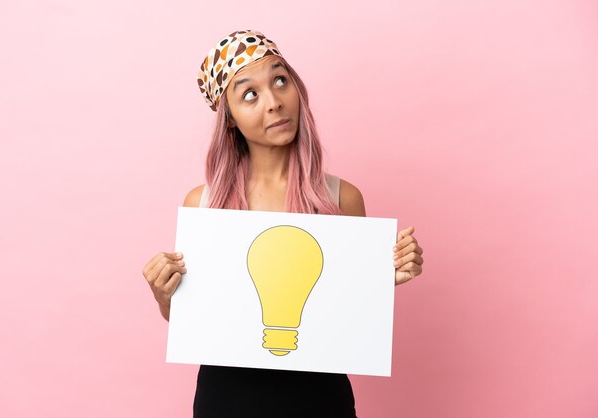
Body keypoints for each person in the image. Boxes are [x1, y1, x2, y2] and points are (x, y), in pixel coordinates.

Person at [142, 30, 424, 418]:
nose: (274, 103)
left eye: (280, 80)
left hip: (319, 401)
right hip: (227, 401)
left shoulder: (342, 199)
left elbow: (346, 315)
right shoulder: (204, 204)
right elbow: (192, 318)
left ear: (297, 89)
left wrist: (384, 275)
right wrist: (163, 293)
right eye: (250, 94)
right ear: (230, 122)